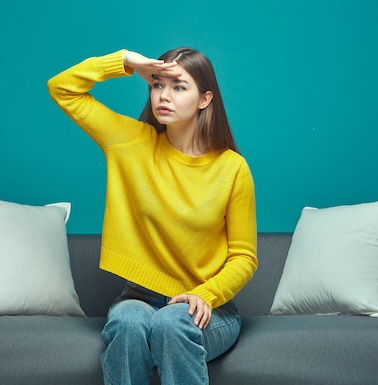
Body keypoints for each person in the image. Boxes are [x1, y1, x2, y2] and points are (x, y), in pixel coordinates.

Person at [47, 48, 257, 385]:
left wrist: (206, 294)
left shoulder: (232, 168)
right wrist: (127, 61)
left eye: (178, 87)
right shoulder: (130, 142)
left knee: (171, 324)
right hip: (140, 298)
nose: (163, 96)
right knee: (127, 323)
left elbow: (244, 257)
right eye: (157, 85)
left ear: (204, 99)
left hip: (209, 307)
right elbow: (62, 87)